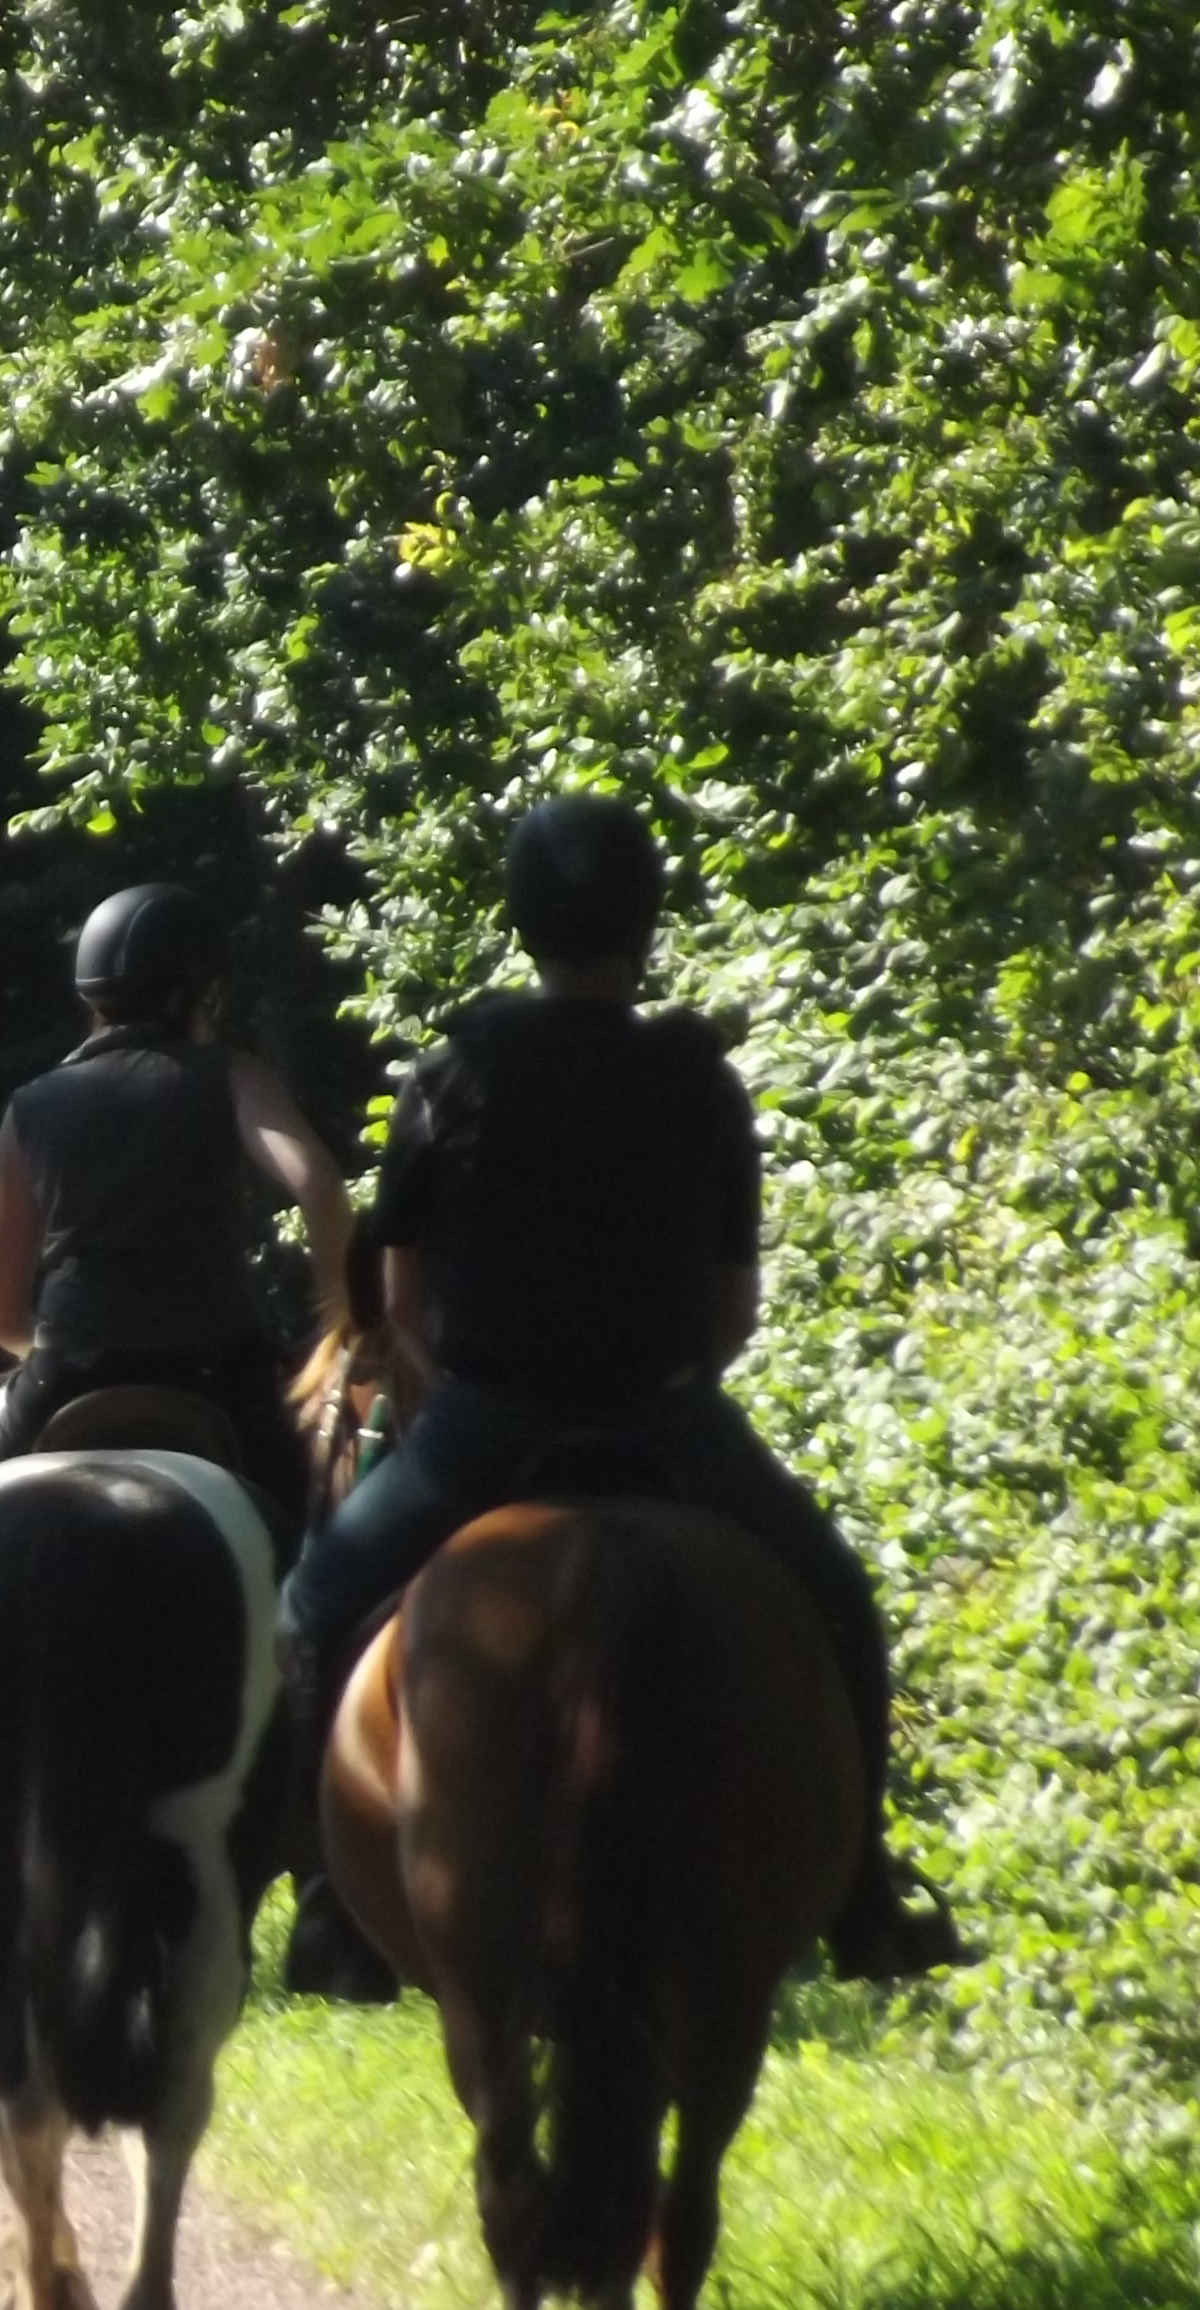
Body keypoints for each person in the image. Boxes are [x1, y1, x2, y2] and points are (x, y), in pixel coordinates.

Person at [273, 795, 969, 1995]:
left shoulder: (457, 1067)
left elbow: (403, 1290)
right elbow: (732, 1311)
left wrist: (455, 1382)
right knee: (839, 1599)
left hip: (486, 1425)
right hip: (665, 1421)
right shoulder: (698, 1081)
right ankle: (863, 1893)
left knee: (312, 1604)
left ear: (524, 916)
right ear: (645, 923)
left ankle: (333, 1898)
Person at [0, 881, 351, 1914]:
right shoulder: (229, 1077)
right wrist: (336, 1321)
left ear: (93, 999)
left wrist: (65, 1341)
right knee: (335, 1567)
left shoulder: (34, 1107)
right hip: (220, 1381)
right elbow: (314, 1182)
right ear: (198, 995)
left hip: (67, 1380)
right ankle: (328, 1856)